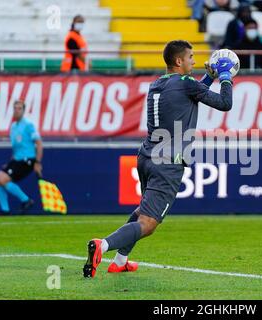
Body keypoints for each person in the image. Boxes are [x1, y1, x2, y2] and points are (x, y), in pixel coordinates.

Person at [82, 40, 234, 277]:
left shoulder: (158, 83)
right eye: (191, 57)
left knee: (143, 210)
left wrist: (208, 77)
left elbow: (190, 93)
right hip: (168, 161)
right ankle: (103, 245)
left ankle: (120, 261)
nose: (194, 61)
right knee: (149, 223)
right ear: (178, 61)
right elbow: (225, 103)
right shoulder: (186, 85)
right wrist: (224, 76)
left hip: (146, 156)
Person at [0, 100, 43, 215]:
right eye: (15, 108)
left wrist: (37, 162)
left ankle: (26, 200)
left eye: (19, 108)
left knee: (3, 179)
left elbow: (39, 144)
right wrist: (10, 163)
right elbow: (16, 148)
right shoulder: (13, 127)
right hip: (16, 160)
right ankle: (5, 210)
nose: (17, 110)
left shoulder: (29, 125)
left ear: (23, 111)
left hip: (27, 160)